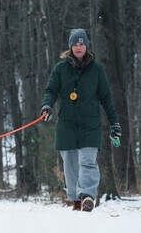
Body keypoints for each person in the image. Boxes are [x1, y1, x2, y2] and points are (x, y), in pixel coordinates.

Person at [40, 28, 121, 212]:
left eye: (81, 44)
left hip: (90, 125)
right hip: (67, 125)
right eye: (75, 44)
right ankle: (77, 201)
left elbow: (106, 98)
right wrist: (47, 106)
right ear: (70, 47)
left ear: (87, 46)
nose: (78, 47)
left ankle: (87, 196)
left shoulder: (98, 70)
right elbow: (51, 90)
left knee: (87, 161)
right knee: (70, 165)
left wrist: (114, 124)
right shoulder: (60, 69)